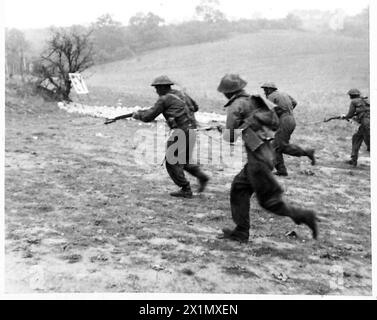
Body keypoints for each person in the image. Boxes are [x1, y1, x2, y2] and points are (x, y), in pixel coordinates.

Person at [217, 74, 318, 242]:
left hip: (258, 160)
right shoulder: (254, 101)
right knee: (239, 188)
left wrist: (223, 130)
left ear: (228, 92)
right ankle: (241, 232)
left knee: (269, 202)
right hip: (266, 153)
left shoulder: (235, 105)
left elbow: (230, 138)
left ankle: (304, 216)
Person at [133, 75, 209, 198]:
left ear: (163, 87)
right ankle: (201, 176)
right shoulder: (183, 94)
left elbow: (148, 117)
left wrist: (138, 115)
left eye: (157, 88)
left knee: (171, 161)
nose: (156, 91)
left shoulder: (164, 99)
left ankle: (185, 188)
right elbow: (195, 108)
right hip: (192, 130)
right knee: (182, 161)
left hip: (180, 132)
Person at [261, 82, 315, 176]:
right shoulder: (284, 94)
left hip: (284, 120)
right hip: (291, 119)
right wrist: (287, 111)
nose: (264, 91)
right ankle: (281, 170)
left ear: (270, 89)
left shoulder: (271, 97)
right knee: (277, 146)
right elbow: (294, 103)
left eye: (265, 89)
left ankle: (306, 152)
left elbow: (268, 112)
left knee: (278, 146)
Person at [342, 88, 370, 167]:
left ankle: (353, 160)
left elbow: (350, 115)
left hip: (365, 125)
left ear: (351, 96)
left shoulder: (354, 102)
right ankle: (353, 159)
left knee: (369, 144)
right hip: (368, 123)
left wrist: (345, 117)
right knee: (356, 137)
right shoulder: (366, 100)